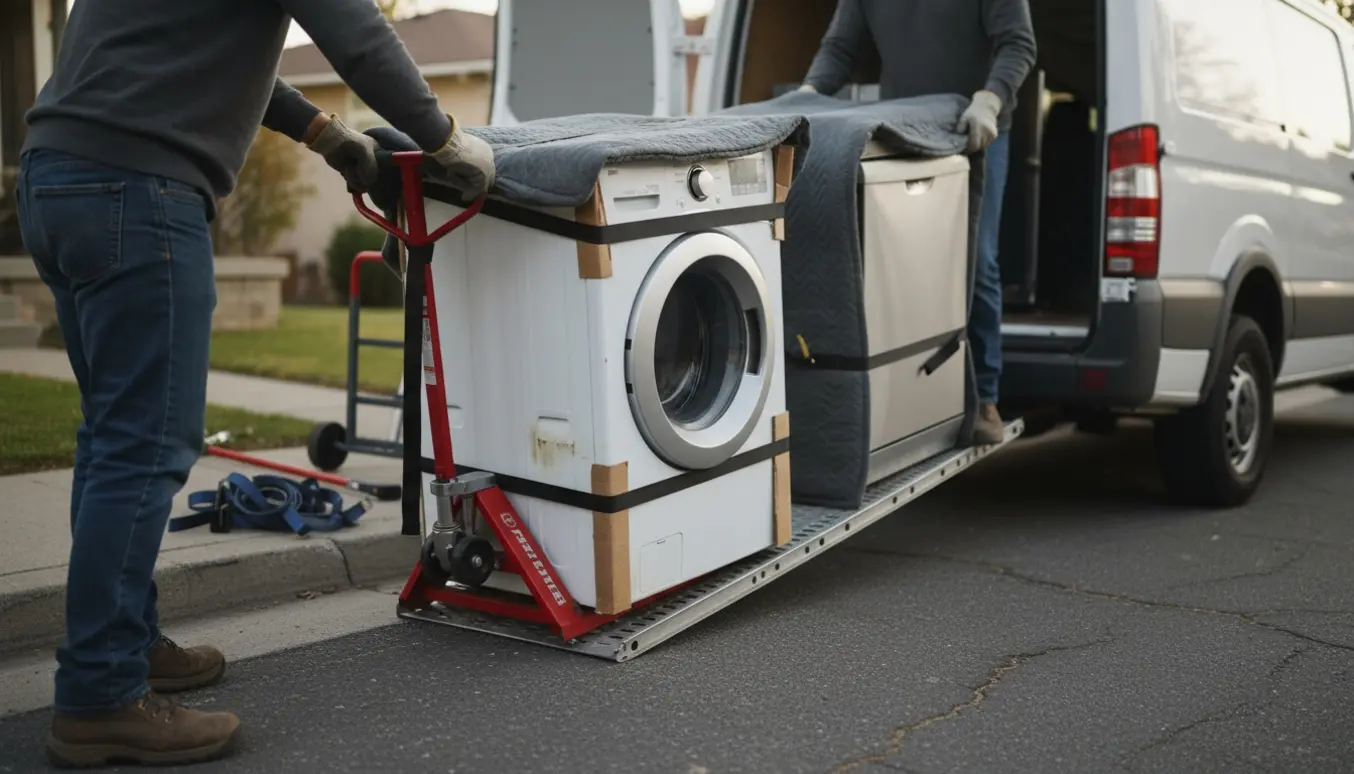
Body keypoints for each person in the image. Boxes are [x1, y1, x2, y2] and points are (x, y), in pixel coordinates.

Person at [15, 0, 494, 767]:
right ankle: (100, 697)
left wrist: (324, 133)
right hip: (137, 194)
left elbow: (195, 51)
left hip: (58, 180)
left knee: (112, 434)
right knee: (143, 446)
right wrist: (447, 139)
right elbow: (361, 39)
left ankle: (128, 645)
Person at [798, 0, 1036, 445]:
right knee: (901, 265)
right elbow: (840, 48)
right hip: (906, 130)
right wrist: (807, 96)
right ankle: (909, 397)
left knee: (976, 260)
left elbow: (1017, 43)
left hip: (974, 130)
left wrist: (990, 98)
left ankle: (984, 396)